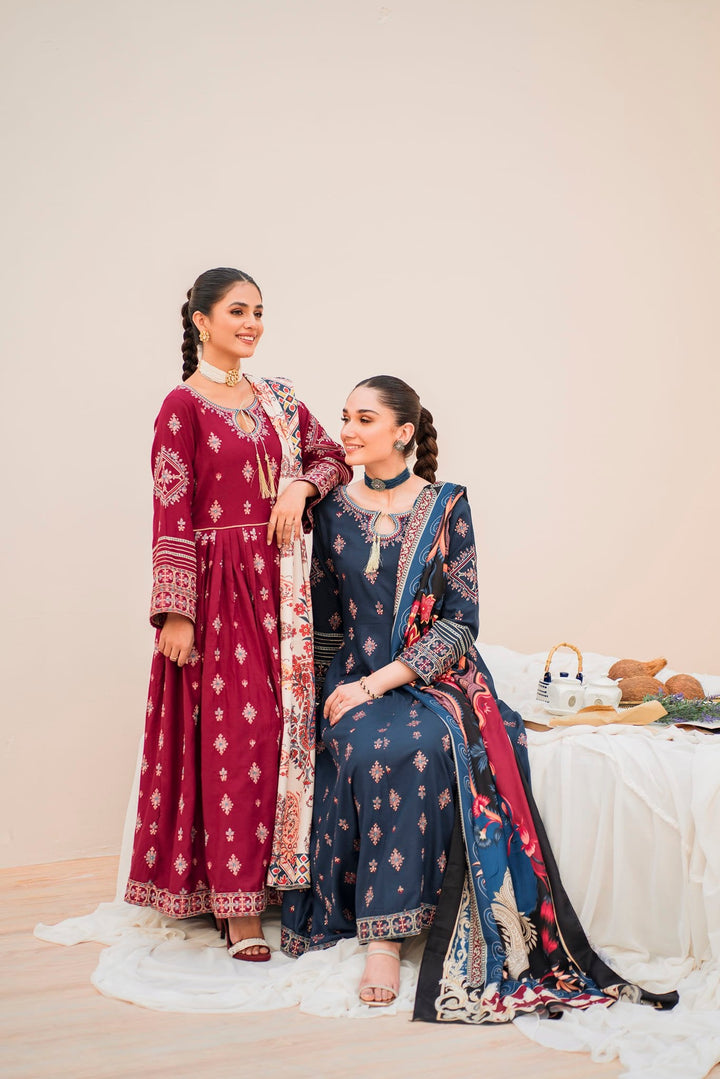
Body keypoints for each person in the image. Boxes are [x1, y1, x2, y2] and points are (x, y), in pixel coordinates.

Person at [281, 375, 678, 1017]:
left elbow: (460, 622)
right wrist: (321, 694)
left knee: (414, 748)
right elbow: (326, 619)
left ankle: (386, 940)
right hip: (352, 672)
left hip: (438, 677)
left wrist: (379, 682)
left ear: (403, 433)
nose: (346, 431)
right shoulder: (329, 511)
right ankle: (373, 924)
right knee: (360, 746)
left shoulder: (448, 505)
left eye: (363, 419)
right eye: (345, 417)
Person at [124, 267, 351, 961]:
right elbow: (171, 508)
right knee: (238, 736)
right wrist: (176, 611)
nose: (251, 323)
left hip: (285, 587)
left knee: (286, 730)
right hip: (218, 590)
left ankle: (276, 883)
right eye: (236, 311)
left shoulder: (278, 397)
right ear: (201, 321)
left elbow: (332, 456)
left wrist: (299, 487)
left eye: (258, 311)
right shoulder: (181, 406)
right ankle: (237, 906)